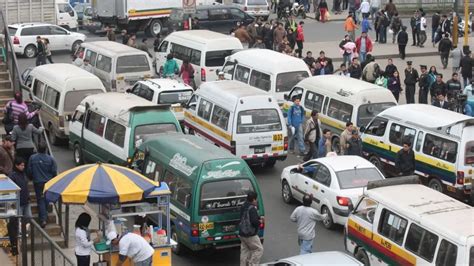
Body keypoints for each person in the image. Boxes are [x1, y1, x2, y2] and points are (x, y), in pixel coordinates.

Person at [28, 143, 57, 228]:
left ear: (37, 149)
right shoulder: (51, 159)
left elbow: (29, 170)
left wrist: (31, 177)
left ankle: (43, 219)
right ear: (46, 149)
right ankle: (45, 213)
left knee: (40, 200)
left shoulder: (32, 158)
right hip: (48, 182)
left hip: (38, 182)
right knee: (46, 198)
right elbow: (54, 171)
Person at [7, 157, 31, 256]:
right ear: (16, 165)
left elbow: (25, 186)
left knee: (28, 218)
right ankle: (19, 237)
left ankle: (23, 233)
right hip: (18, 203)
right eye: (21, 165)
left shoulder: (23, 174)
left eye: (24, 165)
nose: (23, 167)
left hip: (26, 201)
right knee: (17, 221)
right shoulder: (13, 176)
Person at [238, 191, 264, 266]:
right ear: (253, 199)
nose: (256, 201)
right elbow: (254, 222)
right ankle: (252, 264)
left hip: (242, 233)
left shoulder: (243, 206)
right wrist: (260, 221)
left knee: (245, 250)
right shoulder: (252, 209)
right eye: (256, 199)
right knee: (259, 249)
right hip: (250, 235)